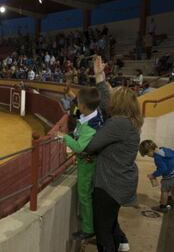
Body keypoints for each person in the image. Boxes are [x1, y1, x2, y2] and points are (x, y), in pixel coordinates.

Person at [84, 56, 143, 252]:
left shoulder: (118, 123)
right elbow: (105, 102)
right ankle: (122, 243)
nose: (109, 101)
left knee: (102, 231)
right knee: (109, 222)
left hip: (110, 184)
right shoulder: (130, 121)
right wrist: (100, 76)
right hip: (120, 182)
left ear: (118, 103)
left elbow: (92, 145)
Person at [57, 87, 104, 241]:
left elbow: (78, 147)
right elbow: (78, 115)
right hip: (88, 160)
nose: (76, 105)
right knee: (85, 194)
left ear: (83, 106)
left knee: (84, 195)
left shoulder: (90, 126)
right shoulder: (93, 114)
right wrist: (73, 97)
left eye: (78, 103)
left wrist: (64, 137)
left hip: (88, 163)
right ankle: (87, 218)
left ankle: (88, 228)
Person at [139, 140, 174, 213]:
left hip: (169, 176)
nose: (148, 156)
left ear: (150, 150)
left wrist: (153, 175)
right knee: (172, 187)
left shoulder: (157, 157)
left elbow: (163, 169)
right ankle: (170, 198)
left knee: (165, 190)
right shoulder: (164, 149)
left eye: (147, 154)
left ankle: (163, 207)